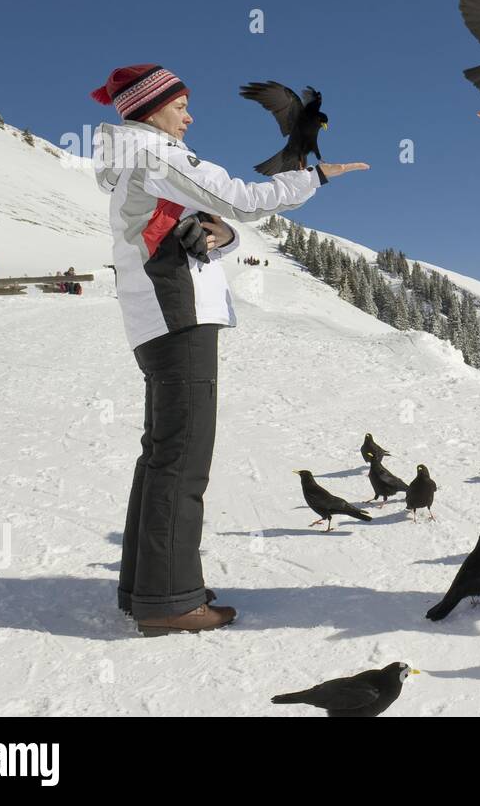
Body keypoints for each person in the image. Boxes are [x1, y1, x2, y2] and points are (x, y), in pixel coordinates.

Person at [92, 63, 368, 635]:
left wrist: (225, 234)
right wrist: (316, 178)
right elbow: (240, 200)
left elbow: (212, 222)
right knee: (183, 458)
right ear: (150, 107)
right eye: (181, 105)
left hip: (158, 315)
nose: (190, 116)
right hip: (178, 313)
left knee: (163, 452)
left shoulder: (134, 159)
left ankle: (149, 588)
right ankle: (168, 602)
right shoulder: (157, 153)